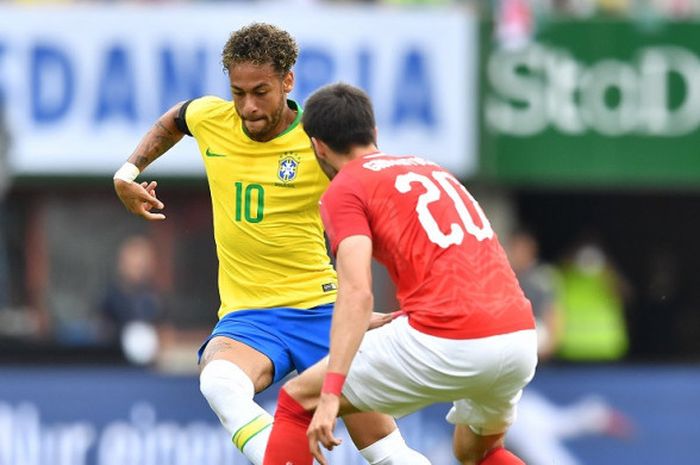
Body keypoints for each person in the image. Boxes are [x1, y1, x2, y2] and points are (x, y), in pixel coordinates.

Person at [113, 23, 429, 465]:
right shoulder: (212, 118)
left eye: (260, 91)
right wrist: (127, 173)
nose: (248, 106)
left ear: (287, 81)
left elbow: (379, 213)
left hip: (323, 311)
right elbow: (175, 120)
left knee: (386, 452)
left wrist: (366, 305)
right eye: (238, 92)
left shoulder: (320, 140)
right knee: (220, 382)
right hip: (250, 317)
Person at [262, 83, 538, 465]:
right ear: (374, 134)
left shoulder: (347, 187)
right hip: (519, 335)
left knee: (297, 400)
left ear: (318, 146)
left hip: (449, 337)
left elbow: (357, 292)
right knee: (477, 451)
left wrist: (329, 394)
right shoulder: (431, 169)